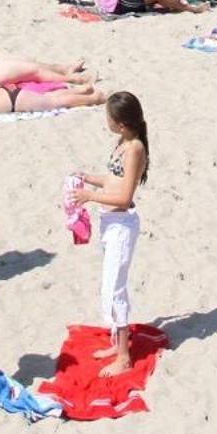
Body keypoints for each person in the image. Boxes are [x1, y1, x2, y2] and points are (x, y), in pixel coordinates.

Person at [71, 91, 148, 377]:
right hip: (109, 223)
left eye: (110, 118)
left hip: (122, 225)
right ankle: (118, 342)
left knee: (115, 289)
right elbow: (114, 179)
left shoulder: (135, 148)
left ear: (122, 124)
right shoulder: (122, 143)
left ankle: (124, 357)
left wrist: (91, 196)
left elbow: (125, 196)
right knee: (107, 285)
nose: (107, 122)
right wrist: (89, 178)